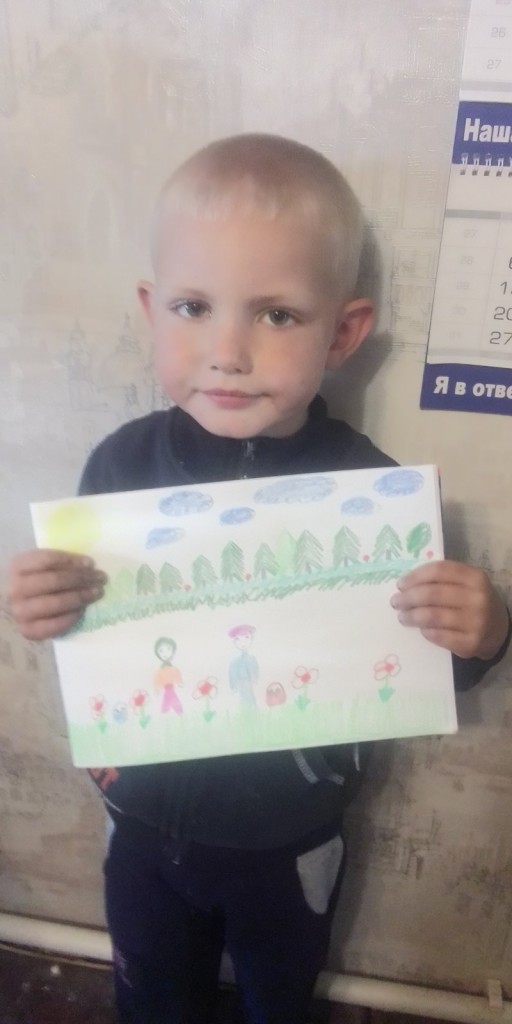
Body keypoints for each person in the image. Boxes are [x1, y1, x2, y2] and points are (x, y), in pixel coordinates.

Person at [7, 134, 511, 1024]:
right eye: (193, 307)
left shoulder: (370, 494)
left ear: (343, 333)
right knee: (149, 995)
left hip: (288, 842)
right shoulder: (117, 467)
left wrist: (485, 632)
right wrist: (46, 608)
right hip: (140, 825)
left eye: (276, 315)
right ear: (151, 312)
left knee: (279, 999)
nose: (228, 351)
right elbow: (95, 639)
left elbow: (425, 660)